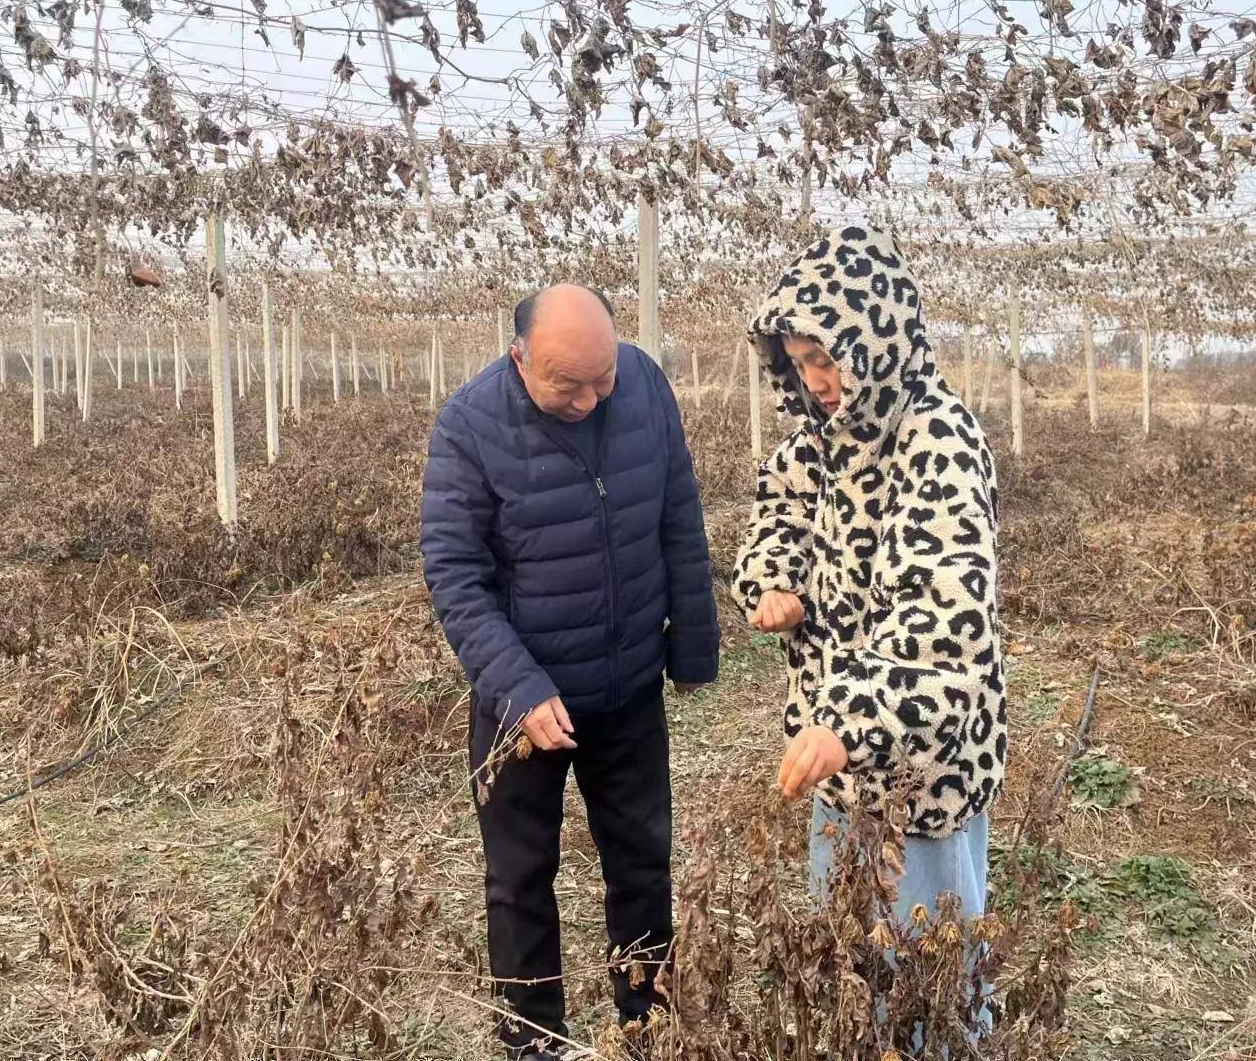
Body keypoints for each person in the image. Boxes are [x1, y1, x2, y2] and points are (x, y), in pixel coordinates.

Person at [421, 284, 721, 1060]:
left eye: (603, 379)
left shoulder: (646, 385)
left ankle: (649, 1027)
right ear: (519, 358)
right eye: (567, 384)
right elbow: (455, 575)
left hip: (627, 691)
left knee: (643, 863)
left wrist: (691, 647)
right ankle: (533, 1042)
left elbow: (678, 517)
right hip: (525, 711)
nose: (590, 400)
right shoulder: (469, 426)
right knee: (519, 883)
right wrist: (519, 689)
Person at [731, 225, 1006, 968]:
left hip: (922, 772)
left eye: (826, 359)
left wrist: (848, 721)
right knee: (851, 967)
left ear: (873, 343)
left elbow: (944, 617)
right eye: (799, 364)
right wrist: (776, 578)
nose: (816, 381)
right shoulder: (821, 441)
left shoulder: (937, 442)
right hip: (838, 759)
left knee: (928, 978)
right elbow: (781, 508)